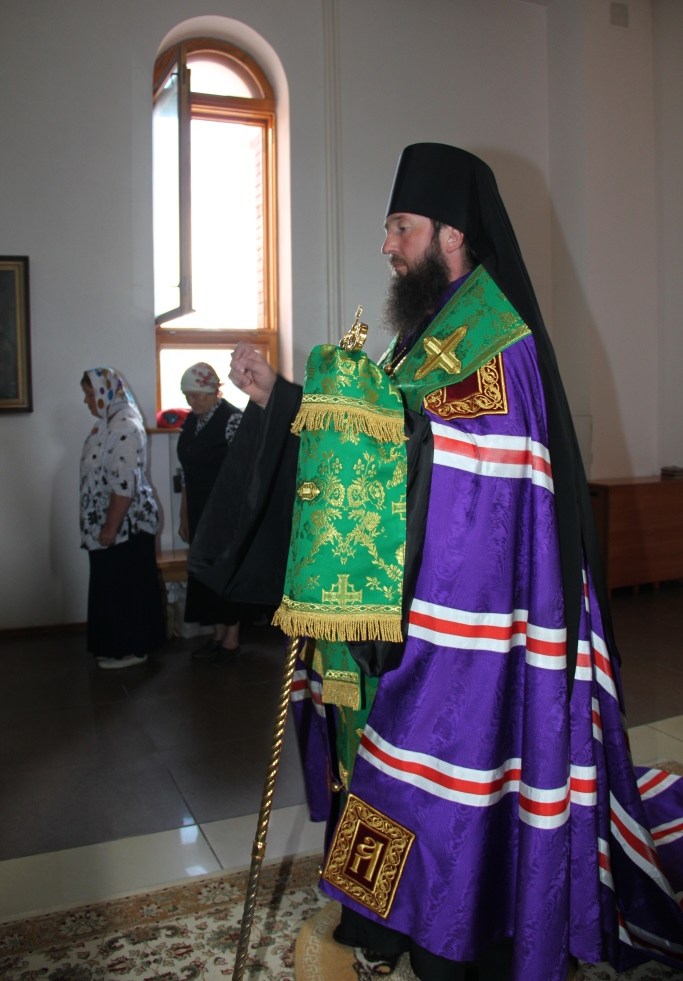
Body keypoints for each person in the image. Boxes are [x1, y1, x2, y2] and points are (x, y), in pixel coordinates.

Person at [200, 145, 683, 981]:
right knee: (389, 769)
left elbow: (455, 460)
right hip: (417, 608)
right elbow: (396, 431)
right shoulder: (425, 335)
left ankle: (458, 935)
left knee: (442, 779)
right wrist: (283, 398)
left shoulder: (495, 337)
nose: (386, 245)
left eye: (401, 227)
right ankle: (384, 920)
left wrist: (330, 411)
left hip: (472, 625)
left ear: (451, 233)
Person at [80, 367, 165, 668]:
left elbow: (124, 484)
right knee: (111, 588)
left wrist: (110, 527)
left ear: (106, 392)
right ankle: (115, 646)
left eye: (90, 394)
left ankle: (132, 650)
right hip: (114, 525)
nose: (86, 401)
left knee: (125, 590)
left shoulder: (125, 426)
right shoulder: (107, 423)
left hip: (126, 527)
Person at [177, 362, 244, 666]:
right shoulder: (192, 421)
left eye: (197, 396)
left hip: (224, 513)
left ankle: (231, 640)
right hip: (198, 510)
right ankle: (217, 636)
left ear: (215, 391)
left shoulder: (232, 419)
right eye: (188, 396)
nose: (192, 402)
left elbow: (243, 471)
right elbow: (186, 473)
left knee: (223, 574)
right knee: (204, 574)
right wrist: (184, 515)